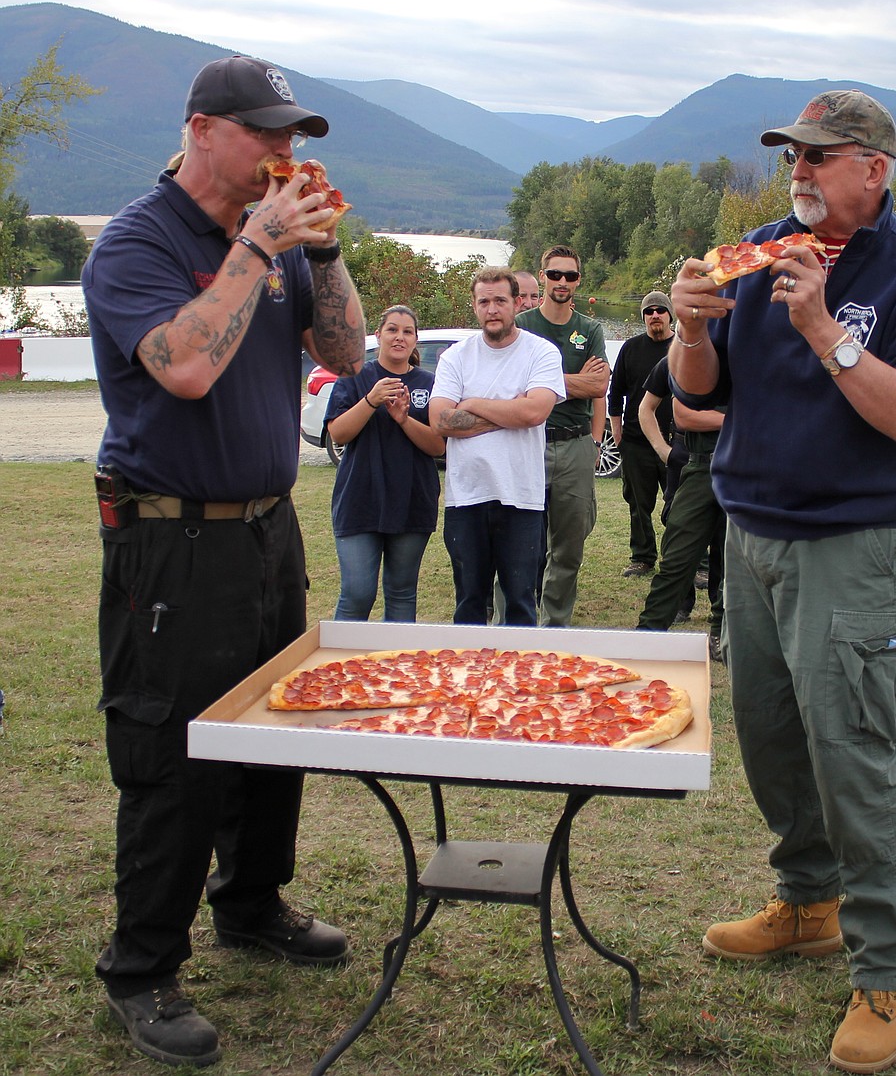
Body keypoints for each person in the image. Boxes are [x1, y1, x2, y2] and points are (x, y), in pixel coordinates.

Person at [669, 89, 896, 1074]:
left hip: (853, 544)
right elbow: (699, 389)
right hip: (751, 533)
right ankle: (806, 903)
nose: (797, 171)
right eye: (791, 155)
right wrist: (690, 324)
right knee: (768, 740)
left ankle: (886, 965)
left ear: (875, 169)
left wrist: (824, 327)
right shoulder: (758, 250)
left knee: (851, 757)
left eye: (820, 156)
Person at [83, 55, 365, 1068]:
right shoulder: (137, 242)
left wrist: (323, 253)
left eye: (295, 137)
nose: (285, 154)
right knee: (174, 752)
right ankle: (142, 964)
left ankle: (249, 901)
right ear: (203, 129)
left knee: (271, 730)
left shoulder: (285, 239)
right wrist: (256, 244)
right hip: (171, 534)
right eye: (267, 135)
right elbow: (187, 365)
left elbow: (344, 347)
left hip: (266, 525)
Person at [430, 266, 564, 624]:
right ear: (474, 306)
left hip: (521, 495)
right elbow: (441, 421)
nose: (492, 309)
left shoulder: (542, 353)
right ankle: (469, 677)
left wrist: (470, 404)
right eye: (484, 301)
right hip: (466, 496)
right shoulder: (455, 357)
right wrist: (511, 411)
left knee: (520, 603)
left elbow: (535, 411)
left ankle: (520, 679)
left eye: (500, 300)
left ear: (517, 303)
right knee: (469, 603)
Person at [326, 304, 445, 622]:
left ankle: (399, 669)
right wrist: (370, 401)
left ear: (416, 340)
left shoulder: (430, 383)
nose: (399, 337)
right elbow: (338, 433)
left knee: (402, 593)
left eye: (407, 331)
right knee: (357, 593)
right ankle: (342, 670)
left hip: (411, 502)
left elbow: (438, 445)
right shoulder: (355, 378)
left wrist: (404, 420)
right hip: (360, 501)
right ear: (378, 335)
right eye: (392, 329)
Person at [517, 246, 610, 626]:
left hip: (575, 444)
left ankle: (554, 627)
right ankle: (513, 627)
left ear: (578, 281)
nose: (562, 282)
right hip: (527, 441)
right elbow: (513, 386)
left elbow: (599, 385)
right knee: (519, 543)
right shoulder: (521, 325)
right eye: (555, 274)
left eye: (570, 276)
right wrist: (575, 382)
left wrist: (595, 439)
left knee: (568, 547)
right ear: (542, 276)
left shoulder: (590, 329)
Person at [636, 357, 726, 662]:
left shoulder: (756, 351)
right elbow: (684, 415)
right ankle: (648, 633)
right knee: (676, 556)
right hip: (698, 464)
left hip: (743, 465)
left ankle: (721, 632)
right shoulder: (692, 354)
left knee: (731, 563)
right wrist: (739, 418)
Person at [609, 291, 674, 578]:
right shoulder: (630, 348)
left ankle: (694, 563)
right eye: (649, 311)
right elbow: (616, 394)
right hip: (636, 442)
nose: (655, 315)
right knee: (638, 504)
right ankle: (642, 557)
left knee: (683, 506)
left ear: (670, 314)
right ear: (644, 317)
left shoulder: (684, 347)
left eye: (660, 310)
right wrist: (618, 434)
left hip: (676, 443)